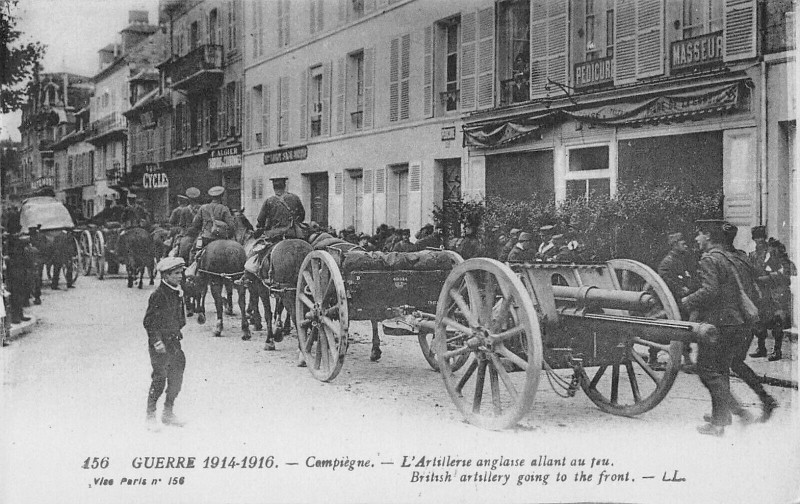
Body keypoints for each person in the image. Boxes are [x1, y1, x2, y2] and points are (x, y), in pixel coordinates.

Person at [681, 220, 761, 436]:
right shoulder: (729, 257)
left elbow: (710, 291)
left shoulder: (709, 259)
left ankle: (719, 425)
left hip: (719, 324)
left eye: (699, 234)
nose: (696, 239)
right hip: (736, 323)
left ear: (708, 235)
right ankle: (725, 417)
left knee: (707, 370)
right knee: (720, 371)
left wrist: (687, 300)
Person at [143, 257, 188, 430]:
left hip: (175, 342)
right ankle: (150, 416)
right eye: (176, 273)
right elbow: (148, 321)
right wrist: (156, 341)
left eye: (181, 273)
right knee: (160, 378)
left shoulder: (177, 291)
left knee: (177, 377)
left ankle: (168, 412)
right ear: (166, 275)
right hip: (160, 345)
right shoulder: (158, 295)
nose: (180, 276)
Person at [762, 238, 796, 361]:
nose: (769, 251)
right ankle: (764, 349)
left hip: (781, 296)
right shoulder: (770, 260)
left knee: (778, 323)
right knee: (767, 322)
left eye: (772, 249)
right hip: (771, 295)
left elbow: (790, 275)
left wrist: (770, 277)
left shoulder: (785, 262)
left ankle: (777, 351)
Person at [748, 226, 772, 358]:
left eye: (761, 237)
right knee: (758, 321)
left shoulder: (770, 253)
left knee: (773, 320)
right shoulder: (752, 255)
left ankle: (776, 350)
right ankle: (761, 348)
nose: (759, 240)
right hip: (756, 291)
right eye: (757, 238)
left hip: (770, 291)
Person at [191, 186, 235, 250]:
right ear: (222, 196)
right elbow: (231, 226)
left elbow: (195, 223)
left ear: (211, 197)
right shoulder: (224, 208)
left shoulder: (203, 207)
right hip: (221, 239)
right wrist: (229, 235)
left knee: (193, 251)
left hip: (205, 237)